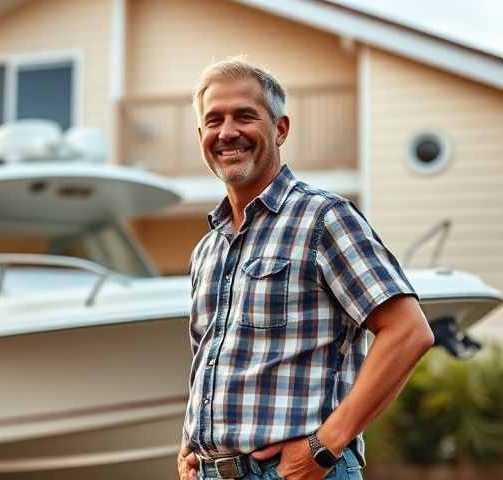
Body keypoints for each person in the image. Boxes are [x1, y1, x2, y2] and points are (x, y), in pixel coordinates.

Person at [177, 57, 435, 480]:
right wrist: (188, 447)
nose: (227, 133)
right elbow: (209, 364)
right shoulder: (207, 249)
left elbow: (409, 332)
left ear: (280, 129)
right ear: (201, 134)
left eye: (245, 116)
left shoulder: (324, 219)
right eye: (213, 120)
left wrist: (323, 447)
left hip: (295, 473)